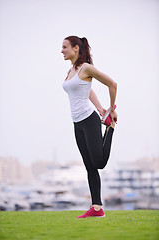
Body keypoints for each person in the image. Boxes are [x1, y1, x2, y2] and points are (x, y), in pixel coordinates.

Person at [61, 36, 117, 218]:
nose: (62, 51)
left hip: (89, 120)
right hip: (77, 123)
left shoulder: (86, 67)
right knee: (89, 167)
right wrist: (100, 108)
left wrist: (110, 108)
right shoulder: (71, 71)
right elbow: (88, 88)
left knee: (98, 163)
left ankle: (110, 129)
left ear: (76, 48)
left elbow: (112, 84)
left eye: (64, 47)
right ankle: (97, 208)